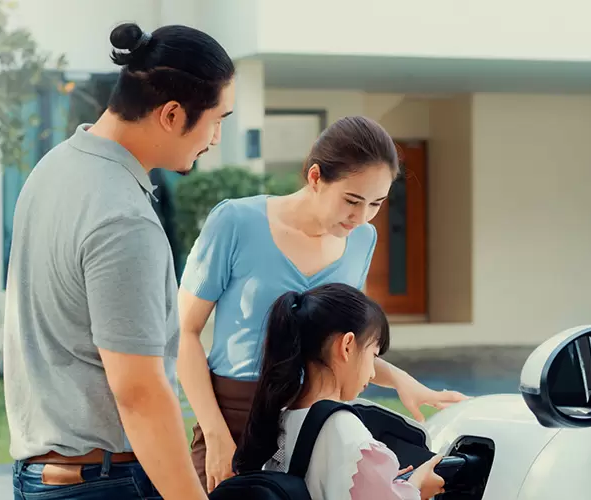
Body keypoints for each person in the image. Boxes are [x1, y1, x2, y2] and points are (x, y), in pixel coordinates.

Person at [3, 22, 234, 500]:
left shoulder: (54, 168)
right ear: (172, 114)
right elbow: (141, 394)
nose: (214, 138)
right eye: (218, 119)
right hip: (103, 483)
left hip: (46, 476)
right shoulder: (123, 219)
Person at [177, 115, 469, 491]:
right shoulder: (235, 222)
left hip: (311, 428)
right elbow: (184, 332)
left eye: (376, 203)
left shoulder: (362, 240)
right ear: (315, 177)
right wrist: (215, 434)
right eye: (352, 200)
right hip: (233, 420)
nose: (361, 217)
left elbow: (340, 344)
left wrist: (400, 380)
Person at [233, 283, 447, 500]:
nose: (373, 373)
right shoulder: (347, 432)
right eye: (373, 355)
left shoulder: (281, 417)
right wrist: (417, 488)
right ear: (347, 346)